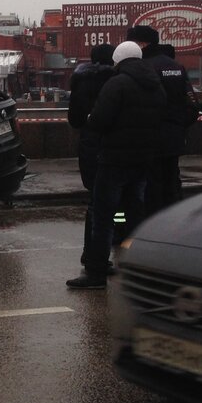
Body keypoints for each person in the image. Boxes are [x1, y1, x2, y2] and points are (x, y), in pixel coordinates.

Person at [68, 41, 165, 290]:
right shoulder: (155, 84)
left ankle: (96, 272)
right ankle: (137, 269)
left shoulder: (117, 83)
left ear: (118, 60)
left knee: (103, 216)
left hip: (114, 160)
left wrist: (91, 119)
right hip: (143, 158)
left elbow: (100, 120)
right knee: (135, 214)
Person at [127, 26, 197, 214]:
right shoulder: (175, 66)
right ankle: (175, 228)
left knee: (151, 187)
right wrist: (177, 125)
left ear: (141, 43)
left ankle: (153, 230)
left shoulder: (142, 67)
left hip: (149, 139)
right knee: (172, 183)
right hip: (173, 138)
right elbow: (191, 106)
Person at [66, 42, 114, 272]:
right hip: (112, 147)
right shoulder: (116, 80)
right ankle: (107, 250)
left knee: (95, 202)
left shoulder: (81, 82)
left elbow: (74, 120)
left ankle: (91, 252)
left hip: (89, 146)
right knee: (115, 202)